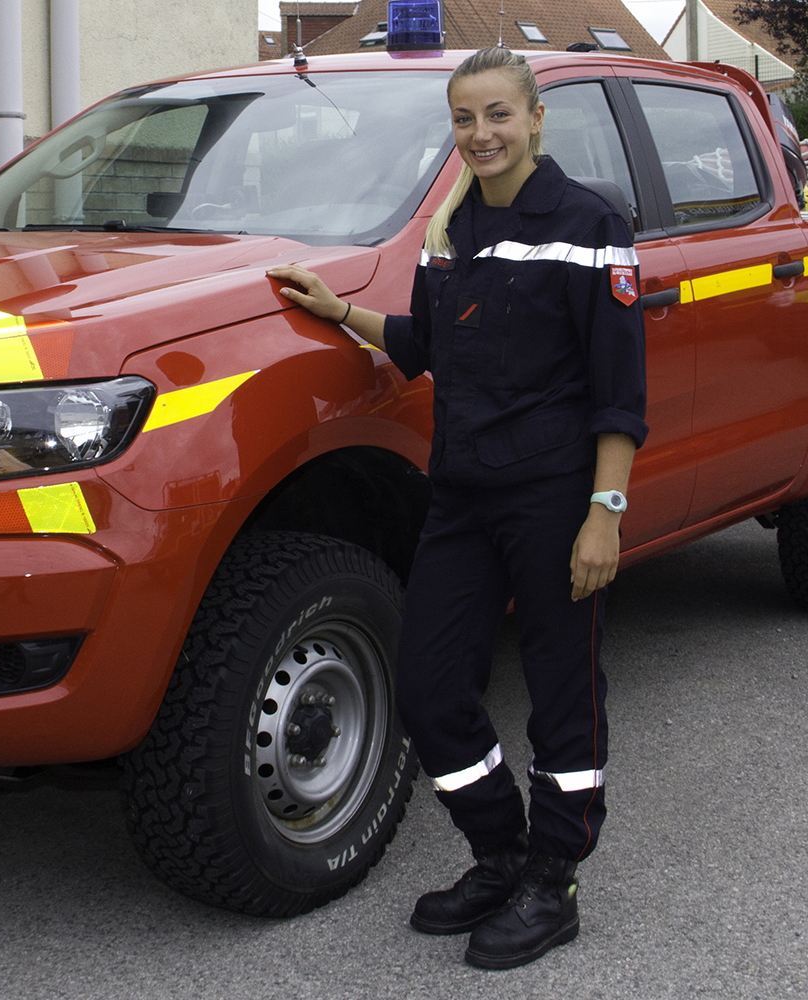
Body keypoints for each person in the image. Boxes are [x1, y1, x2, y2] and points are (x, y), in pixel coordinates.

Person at [266, 47, 646, 970]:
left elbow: (619, 392)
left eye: (498, 116)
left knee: (561, 694)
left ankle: (553, 879)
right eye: (465, 120)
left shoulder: (591, 223)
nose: (481, 135)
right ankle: (500, 851)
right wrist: (341, 314)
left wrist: (605, 512)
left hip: (555, 498)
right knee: (431, 690)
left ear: (535, 119)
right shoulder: (451, 230)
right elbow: (428, 342)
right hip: (464, 494)